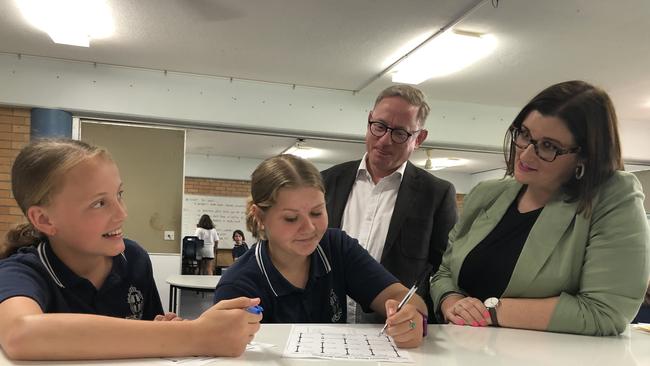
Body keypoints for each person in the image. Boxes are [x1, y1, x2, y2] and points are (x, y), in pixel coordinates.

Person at [0, 139, 262, 360]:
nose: (122, 213)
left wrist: (163, 330)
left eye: (119, 194)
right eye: (99, 203)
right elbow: (20, 334)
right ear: (45, 220)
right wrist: (197, 335)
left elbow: (149, 333)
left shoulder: (133, 258)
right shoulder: (22, 270)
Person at [430, 80, 649, 336]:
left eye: (549, 146)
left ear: (585, 155)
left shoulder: (611, 196)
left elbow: (605, 312)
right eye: (524, 134)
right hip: (464, 349)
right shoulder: (486, 194)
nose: (524, 155)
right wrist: (451, 301)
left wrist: (490, 311)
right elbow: (445, 271)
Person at [214, 154, 428, 348]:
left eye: (317, 212)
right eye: (291, 218)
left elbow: (403, 298)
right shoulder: (239, 284)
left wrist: (411, 317)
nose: (309, 228)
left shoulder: (336, 247)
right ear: (260, 217)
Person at [321, 84, 457, 323]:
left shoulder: (436, 194)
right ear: (369, 121)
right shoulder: (327, 182)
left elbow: (442, 271)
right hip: (326, 324)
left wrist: (422, 320)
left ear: (419, 138)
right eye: (379, 127)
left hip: (394, 332)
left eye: (400, 133)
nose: (384, 140)